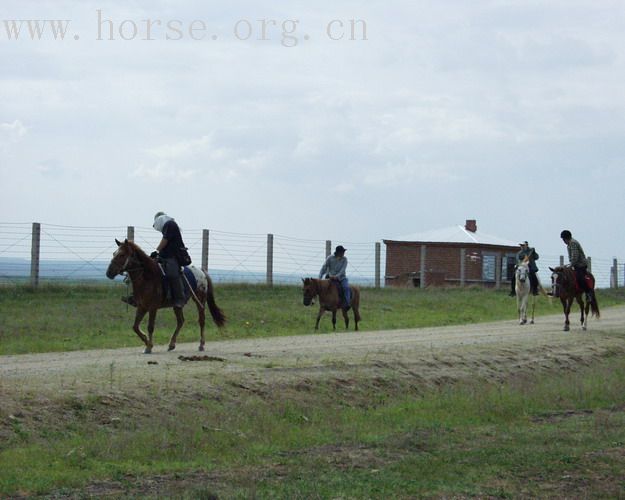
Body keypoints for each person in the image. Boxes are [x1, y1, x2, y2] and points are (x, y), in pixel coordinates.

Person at [152, 211, 186, 308]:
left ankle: (179, 298)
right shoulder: (168, 226)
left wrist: (156, 250)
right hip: (165, 256)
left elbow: (165, 240)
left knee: (172, 273)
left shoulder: (170, 224)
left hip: (173, 256)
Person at [560, 230, 591, 297]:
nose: (563, 241)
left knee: (580, 278)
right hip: (575, 265)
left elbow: (575, 256)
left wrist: (570, 265)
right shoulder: (569, 245)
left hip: (581, 265)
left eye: (563, 239)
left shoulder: (573, 243)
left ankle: (588, 293)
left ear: (566, 238)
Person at [319, 245, 351, 310]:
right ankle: (322, 302)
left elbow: (342, 270)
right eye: (342, 252)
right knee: (321, 288)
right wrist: (320, 277)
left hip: (341, 278)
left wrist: (336, 276)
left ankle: (347, 304)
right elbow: (324, 267)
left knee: (346, 288)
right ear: (338, 252)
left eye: (343, 252)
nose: (343, 253)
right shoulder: (330, 258)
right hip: (330, 278)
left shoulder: (345, 259)